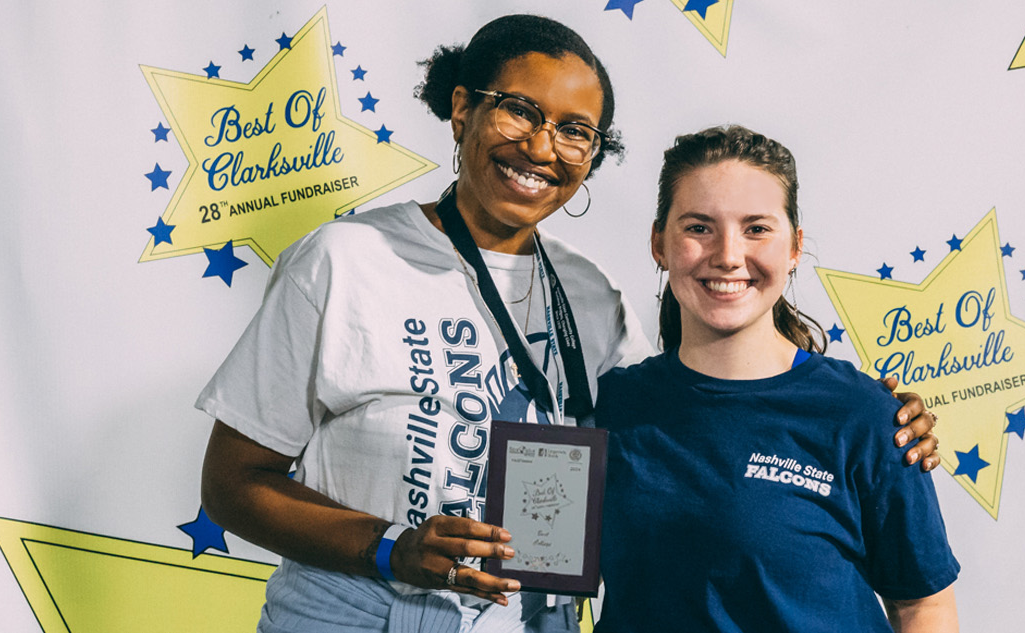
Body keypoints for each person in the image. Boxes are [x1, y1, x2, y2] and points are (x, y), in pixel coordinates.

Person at [196, 15, 942, 633]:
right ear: (463, 108)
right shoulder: (345, 259)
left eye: (575, 130)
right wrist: (390, 548)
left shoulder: (589, 294)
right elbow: (233, 483)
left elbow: (707, 411)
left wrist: (874, 417)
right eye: (520, 109)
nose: (542, 146)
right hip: (358, 618)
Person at [594, 125, 959, 632]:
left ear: (794, 247)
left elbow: (924, 606)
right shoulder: (609, 408)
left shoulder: (867, 415)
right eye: (699, 227)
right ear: (660, 243)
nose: (727, 254)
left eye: (756, 228)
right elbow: (539, 563)